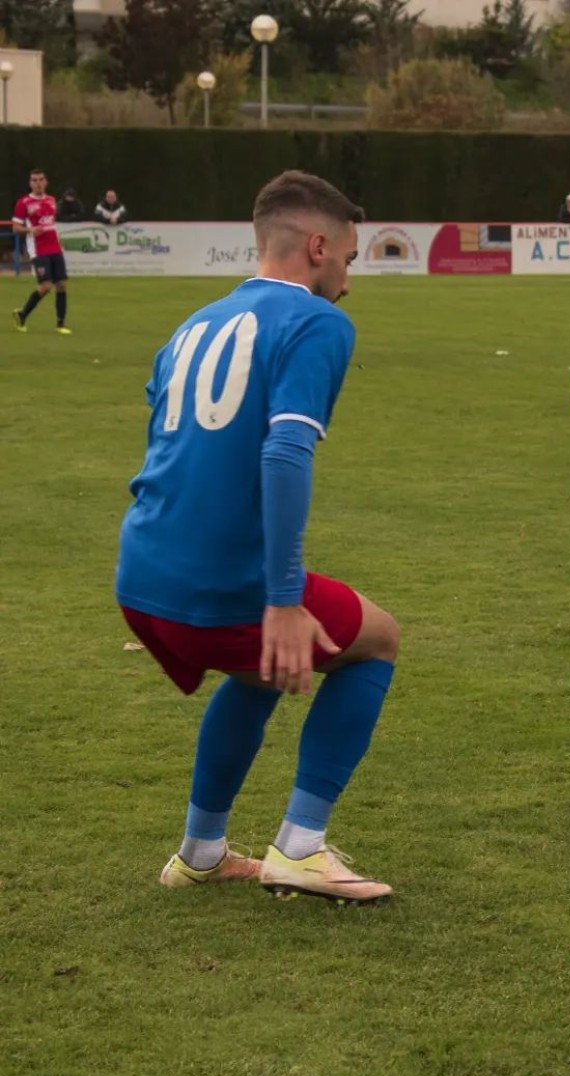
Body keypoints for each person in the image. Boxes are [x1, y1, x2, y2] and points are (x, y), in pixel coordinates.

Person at [116, 169, 400, 904]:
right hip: (223, 587)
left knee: (262, 671)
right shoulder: (318, 322)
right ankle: (301, 848)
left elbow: (161, 450)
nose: (348, 277)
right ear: (316, 246)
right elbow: (283, 452)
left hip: (141, 578)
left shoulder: (193, 323)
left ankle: (201, 853)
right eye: (347, 257)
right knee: (378, 639)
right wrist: (279, 597)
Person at [11, 168, 71, 336]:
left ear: (46, 182)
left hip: (55, 248)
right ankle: (22, 314)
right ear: (30, 183)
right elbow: (16, 227)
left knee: (61, 285)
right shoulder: (23, 203)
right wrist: (30, 230)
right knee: (45, 286)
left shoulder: (52, 201)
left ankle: (60, 324)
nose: (38, 183)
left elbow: (52, 224)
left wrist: (59, 242)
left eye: (41, 180)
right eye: (34, 180)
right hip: (39, 249)